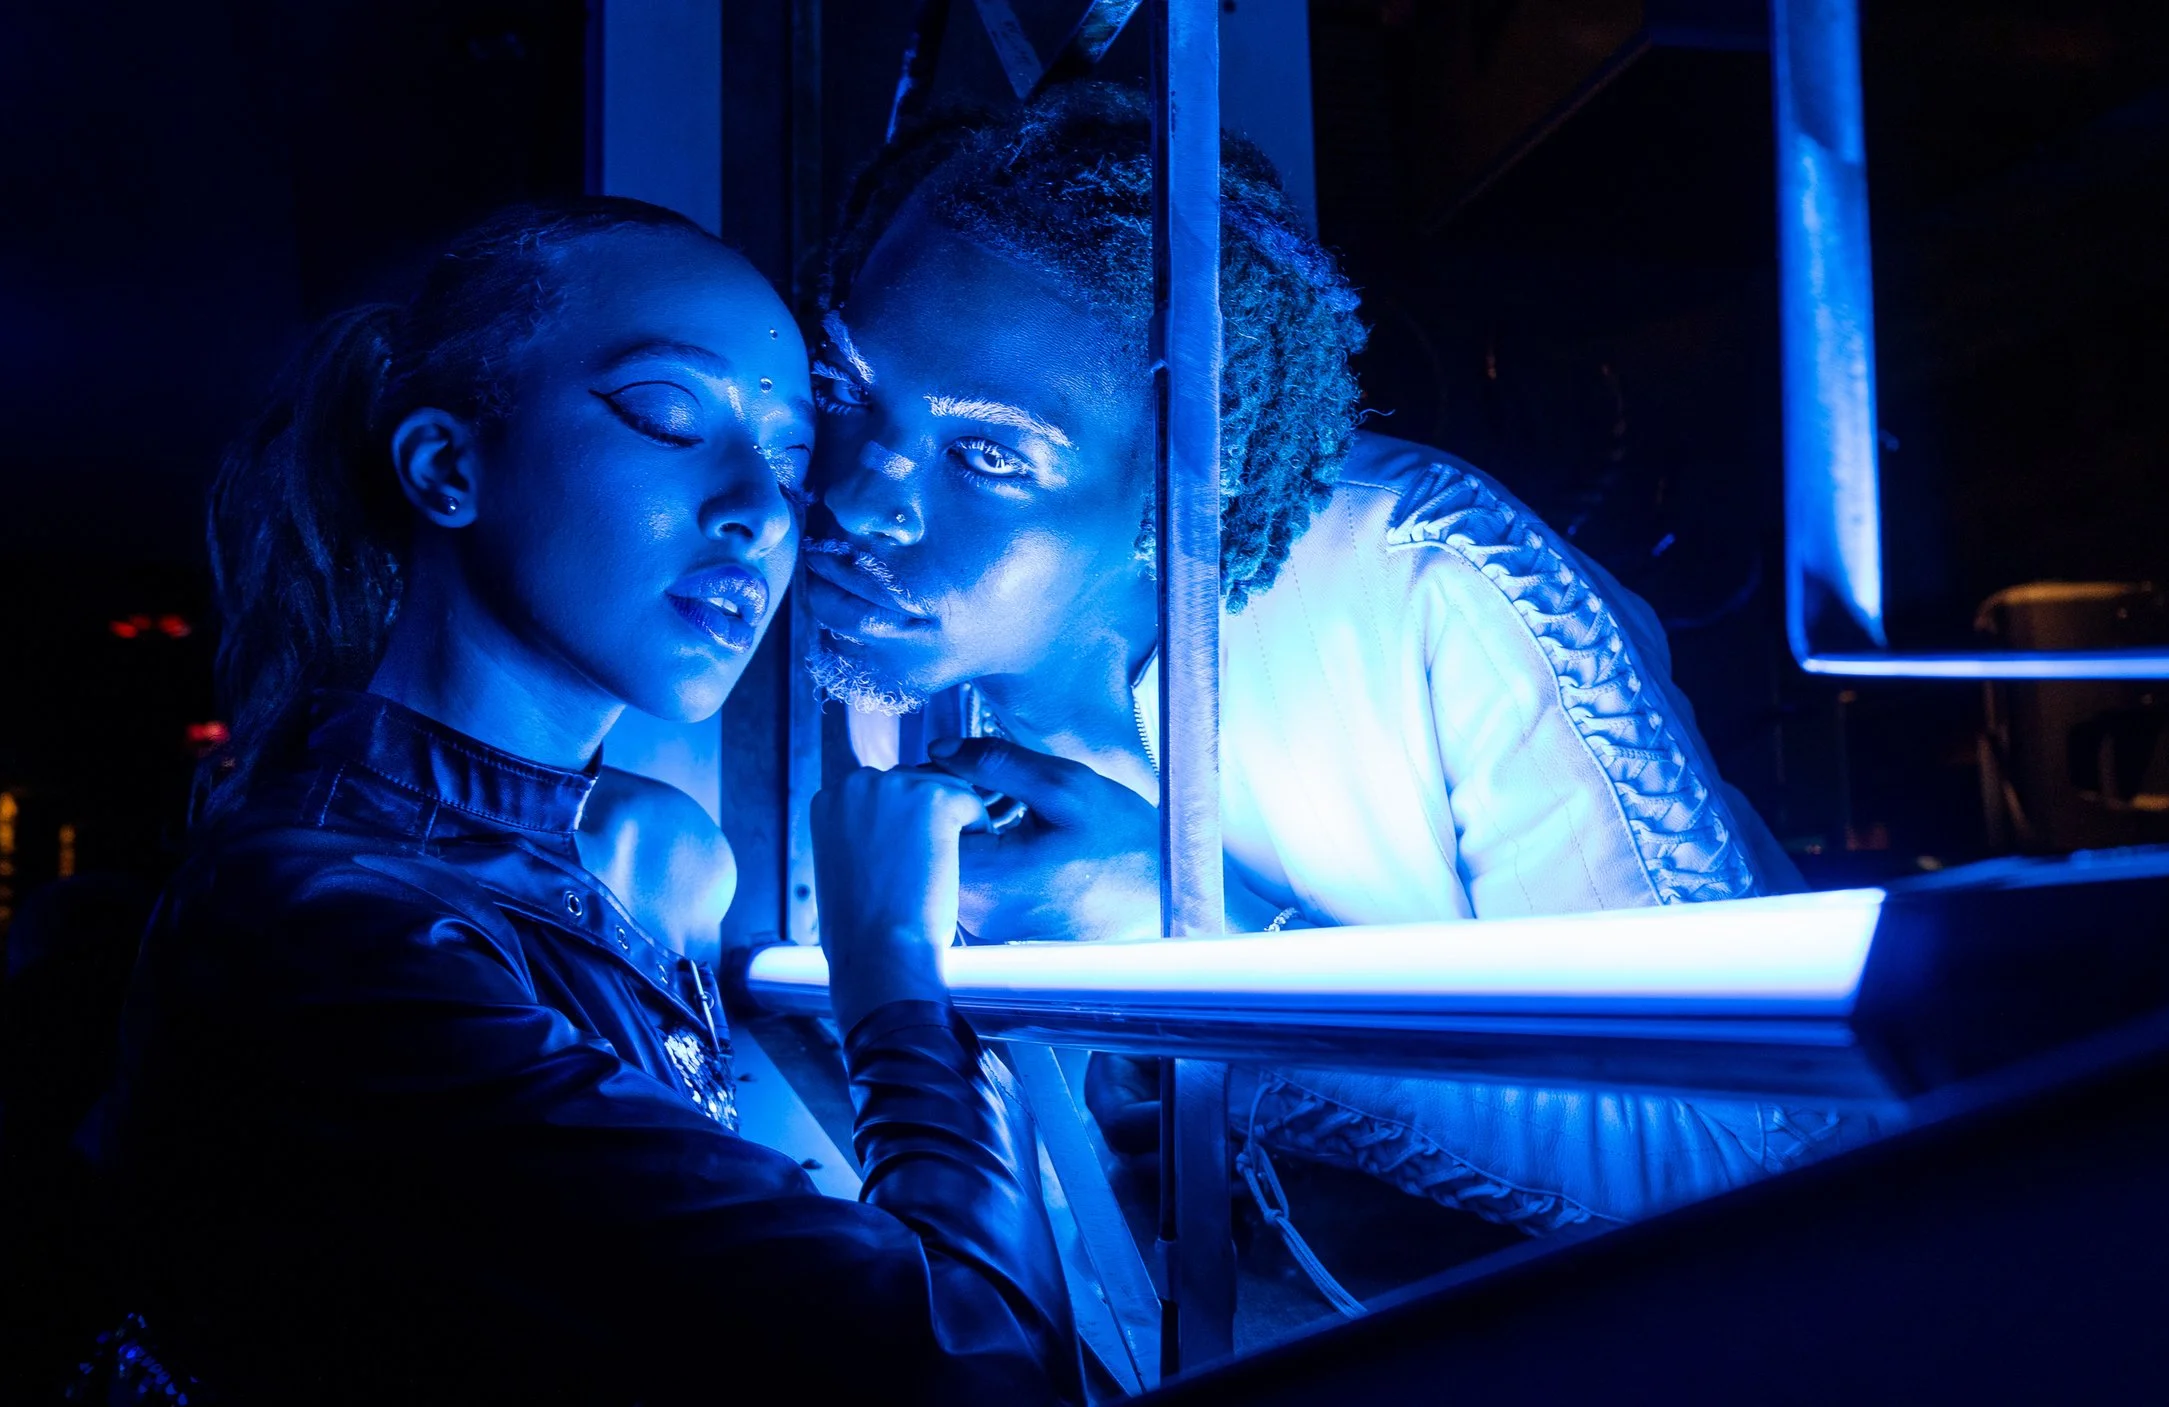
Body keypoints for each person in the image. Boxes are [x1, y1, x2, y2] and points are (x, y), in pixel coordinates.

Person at [801, 85, 1870, 1239]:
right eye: (843, 397)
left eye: (987, 454)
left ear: (1176, 474)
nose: (855, 496)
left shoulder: (1424, 579)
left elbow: (1754, 1139)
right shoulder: (893, 677)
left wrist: (1166, 930)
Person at [98, 200, 1075, 1404]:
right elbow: (972, 1373)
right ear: (449, 465)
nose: (761, 514)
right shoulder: (321, 927)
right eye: (671, 418)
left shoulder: (637, 859)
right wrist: (891, 979)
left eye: (786, 463)